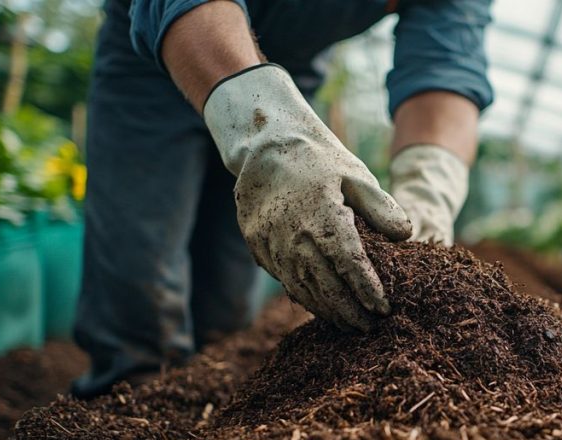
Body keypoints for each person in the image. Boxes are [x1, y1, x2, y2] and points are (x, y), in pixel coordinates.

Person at [71, 0, 493, 398]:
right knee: (139, 280)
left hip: (286, 77)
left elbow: (447, 61)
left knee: (225, 301)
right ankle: (122, 420)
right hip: (161, 50)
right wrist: (267, 134)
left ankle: (202, 416)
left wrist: (427, 192)